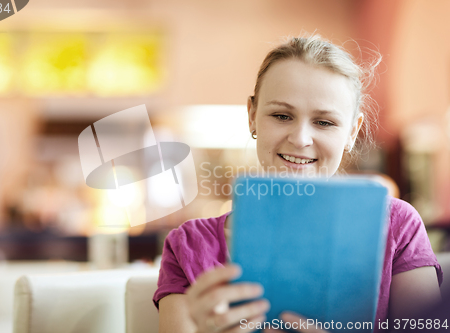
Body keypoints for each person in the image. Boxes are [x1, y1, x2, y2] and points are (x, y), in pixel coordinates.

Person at [153, 35, 443, 333]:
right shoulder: (187, 245)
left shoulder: (398, 226)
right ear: (252, 116)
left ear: (352, 131)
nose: (301, 139)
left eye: (325, 122)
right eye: (281, 115)